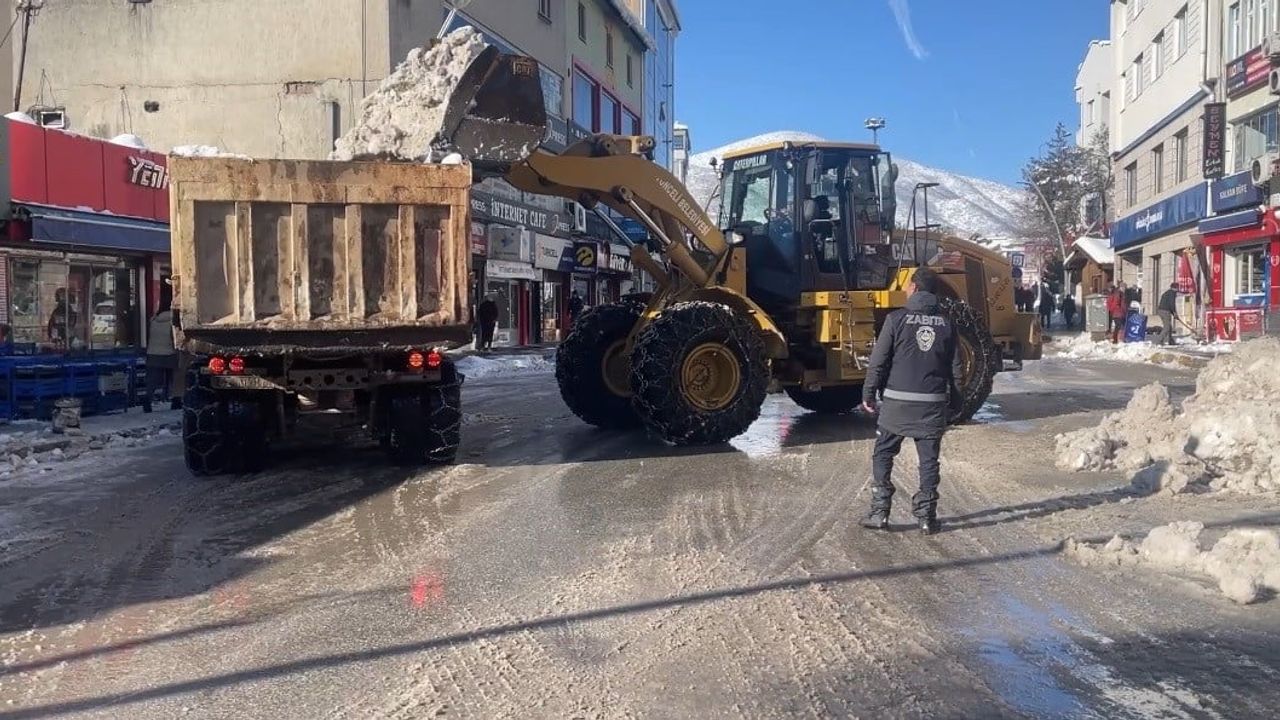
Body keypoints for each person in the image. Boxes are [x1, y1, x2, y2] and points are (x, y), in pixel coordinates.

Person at [860, 267, 960, 536]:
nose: (905, 290)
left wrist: (868, 393)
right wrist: (957, 404)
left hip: (897, 404)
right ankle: (926, 517)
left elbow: (878, 362)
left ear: (914, 288)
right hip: (931, 404)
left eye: (907, 286)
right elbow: (956, 369)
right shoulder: (948, 323)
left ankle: (880, 513)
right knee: (928, 461)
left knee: (883, 452)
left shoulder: (895, 320)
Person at [143, 288, 179, 413]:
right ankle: (176, 400)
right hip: (169, 353)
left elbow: (148, 336)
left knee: (152, 380)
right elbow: (174, 337)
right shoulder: (173, 320)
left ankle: (147, 400)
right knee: (174, 378)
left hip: (153, 353)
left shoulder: (153, 320)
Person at [1157, 282, 1179, 346]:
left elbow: (1168, 304)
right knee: (1167, 327)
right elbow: (1171, 304)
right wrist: (1174, 313)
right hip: (1165, 311)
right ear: (1175, 288)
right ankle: (1159, 341)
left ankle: (1171, 341)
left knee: (1169, 327)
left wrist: (1173, 313)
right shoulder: (1172, 293)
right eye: (1177, 288)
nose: (1178, 289)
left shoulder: (1167, 293)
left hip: (1161, 310)